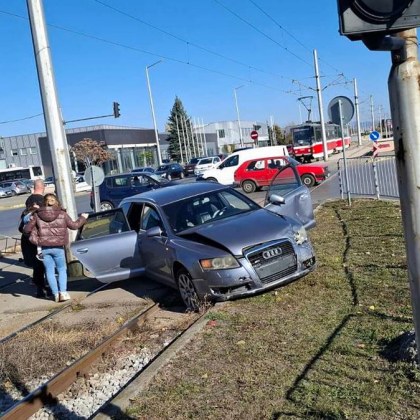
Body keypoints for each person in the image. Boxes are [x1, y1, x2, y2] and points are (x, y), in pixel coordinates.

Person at [24, 193, 89, 303]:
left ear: (43, 203)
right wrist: (83, 217)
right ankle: (63, 293)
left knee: (49, 271)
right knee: (61, 270)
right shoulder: (62, 214)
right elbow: (74, 226)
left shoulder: (36, 215)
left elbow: (26, 230)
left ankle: (55, 294)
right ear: (57, 202)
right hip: (58, 247)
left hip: (44, 248)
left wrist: (37, 240)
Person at [19, 179, 48, 298]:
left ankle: (39, 285)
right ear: (43, 187)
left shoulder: (28, 201)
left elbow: (21, 228)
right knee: (42, 264)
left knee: (38, 265)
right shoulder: (42, 201)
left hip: (30, 239)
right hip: (40, 239)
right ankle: (44, 288)